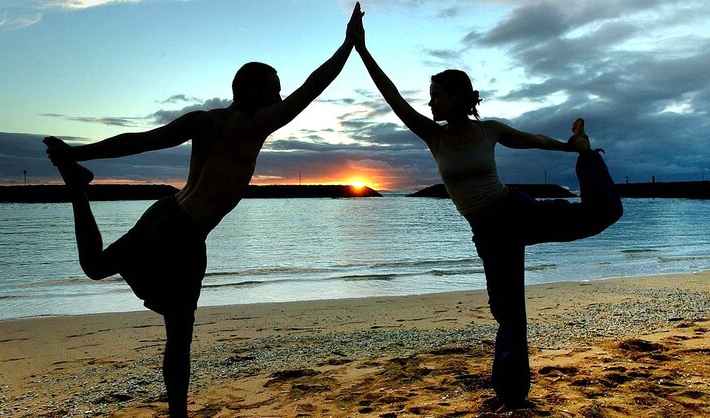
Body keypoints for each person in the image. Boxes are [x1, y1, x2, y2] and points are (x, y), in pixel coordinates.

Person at [43, 4, 364, 416]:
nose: (279, 97)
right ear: (251, 92)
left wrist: (77, 151)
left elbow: (139, 140)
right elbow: (312, 88)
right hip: (184, 233)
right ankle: (178, 413)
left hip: (164, 212)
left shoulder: (204, 120)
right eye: (273, 89)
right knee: (179, 334)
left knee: (95, 266)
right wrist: (348, 45)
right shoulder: (254, 124)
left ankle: (77, 185)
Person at [350, 12, 623, 412]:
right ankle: (511, 395)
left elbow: (530, 139)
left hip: (516, 210)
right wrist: (361, 48)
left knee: (602, 212)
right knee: (509, 313)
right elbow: (392, 96)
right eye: (430, 96)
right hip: (491, 235)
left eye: (438, 95)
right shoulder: (433, 135)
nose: (430, 102)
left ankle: (589, 159)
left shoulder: (489, 130)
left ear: (460, 96)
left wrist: (571, 147)